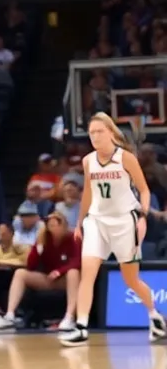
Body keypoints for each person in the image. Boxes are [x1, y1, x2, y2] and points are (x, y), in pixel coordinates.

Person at [60, 113, 167, 346]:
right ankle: (81, 326)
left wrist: (142, 216)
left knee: (131, 280)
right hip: (97, 222)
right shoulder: (88, 161)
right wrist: (80, 221)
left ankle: (154, 315)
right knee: (88, 274)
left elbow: (145, 190)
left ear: (110, 133)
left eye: (99, 131)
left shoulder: (125, 158)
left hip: (124, 222)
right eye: (91, 133)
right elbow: (88, 192)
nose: (95, 136)